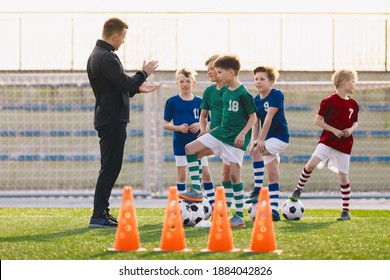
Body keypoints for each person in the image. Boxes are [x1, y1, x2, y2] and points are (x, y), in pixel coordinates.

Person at [87, 18, 159, 228]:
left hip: (109, 117)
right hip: (111, 119)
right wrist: (143, 73)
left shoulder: (100, 55)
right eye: (123, 37)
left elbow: (120, 87)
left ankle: (101, 213)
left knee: (110, 167)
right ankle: (99, 215)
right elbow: (124, 82)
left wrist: (137, 88)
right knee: (110, 167)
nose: (124, 42)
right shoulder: (105, 57)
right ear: (115, 36)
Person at [179, 54, 257, 227]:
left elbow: (253, 118)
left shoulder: (243, 93)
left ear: (230, 72)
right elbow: (212, 115)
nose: (216, 74)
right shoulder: (224, 91)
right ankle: (197, 191)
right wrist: (206, 131)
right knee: (190, 148)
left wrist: (243, 134)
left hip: (234, 140)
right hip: (220, 133)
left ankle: (238, 216)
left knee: (234, 177)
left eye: (219, 71)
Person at [288, 69, 359, 221]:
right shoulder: (328, 101)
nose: (355, 85)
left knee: (343, 177)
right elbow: (318, 121)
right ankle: (298, 189)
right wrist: (334, 130)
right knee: (311, 165)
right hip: (328, 141)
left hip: (345, 145)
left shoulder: (353, 104)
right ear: (344, 82)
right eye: (353, 82)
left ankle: (345, 211)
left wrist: (350, 130)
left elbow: (355, 122)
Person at [162, 68, 214, 204]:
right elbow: (165, 124)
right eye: (182, 81)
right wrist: (178, 128)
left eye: (188, 81)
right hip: (180, 143)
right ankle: (181, 206)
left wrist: (198, 124)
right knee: (182, 174)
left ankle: (212, 204)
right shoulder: (172, 101)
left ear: (194, 83)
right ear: (177, 83)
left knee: (206, 174)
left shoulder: (200, 101)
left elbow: (209, 120)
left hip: (199, 143)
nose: (185, 84)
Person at [247, 66, 289, 221]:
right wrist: (253, 141)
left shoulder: (276, 94)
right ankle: (274, 210)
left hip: (279, 137)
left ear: (271, 82)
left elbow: (269, 118)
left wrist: (261, 140)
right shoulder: (255, 100)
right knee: (273, 176)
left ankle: (257, 188)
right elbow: (256, 123)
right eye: (256, 79)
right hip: (267, 140)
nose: (258, 82)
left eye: (262, 79)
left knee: (258, 151)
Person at [198, 54, 228, 208]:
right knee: (193, 150)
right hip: (214, 136)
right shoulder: (209, 91)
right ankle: (206, 199)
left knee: (228, 176)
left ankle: (230, 210)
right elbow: (203, 116)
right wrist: (204, 130)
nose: (209, 72)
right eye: (207, 69)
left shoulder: (232, 90)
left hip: (229, 137)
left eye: (212, 69)